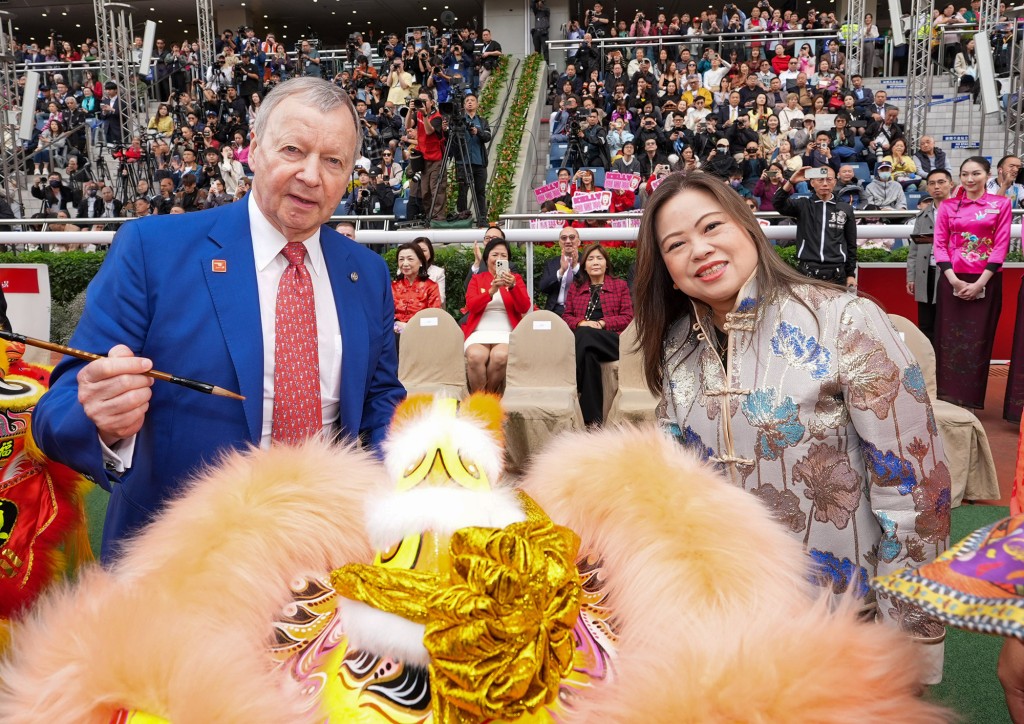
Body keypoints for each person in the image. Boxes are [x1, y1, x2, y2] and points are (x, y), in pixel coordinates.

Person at [32, 77, 406, 561]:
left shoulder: (367, 273)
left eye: (333, 161)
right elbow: (55, 412)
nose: (312, 175)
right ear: (253, 149)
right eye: (293, 149)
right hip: (184, 565)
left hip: (328, 553)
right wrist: (100, 419)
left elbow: (380, 398)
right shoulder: (152, 251)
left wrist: (409, 458)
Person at [631, 171, 948, 682]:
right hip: (722, 620)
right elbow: (671, 484)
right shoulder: (677, 348)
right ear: (666, 269)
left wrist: (907, 639)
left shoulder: (846, 319)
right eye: (676, 244)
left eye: (712, 226)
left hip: (840, 621)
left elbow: (915, 491)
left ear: (750, 226)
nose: (700, 249)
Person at [932, 156, 1011, 410]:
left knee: (978, 340)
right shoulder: (948, 206)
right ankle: (947, 397)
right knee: (948, 340)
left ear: (988, 175)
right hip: (951, 280)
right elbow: (939, 245)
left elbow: (1001, 246)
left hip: (986, 280)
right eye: (964, 174)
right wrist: (953, 280)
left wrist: (979, 283)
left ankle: (970, 399)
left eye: (975, 173)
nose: (969, 179)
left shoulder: (1000, 204)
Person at [562, 244, 634, 426]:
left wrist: (602, 323)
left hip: (612, 341)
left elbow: (627, 317)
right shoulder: (576, 288)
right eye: (591, 259)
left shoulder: (619, 286)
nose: (595, 262)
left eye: (599, 258)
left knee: (585, 335)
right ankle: (592, 420)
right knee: (588, 354)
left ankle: (569, 383)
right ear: (584, 265)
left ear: (606, 264)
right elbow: (567, 317)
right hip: (586, 342)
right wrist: (581, 323)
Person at [462, 237, 531, 393]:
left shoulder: (516, 279)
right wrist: (490, 292)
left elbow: (524, 306)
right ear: (487, 258)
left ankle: (490, 396)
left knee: (500, 356)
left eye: (503, 256)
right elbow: (471, 306)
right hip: (479, 331)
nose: (499, 259)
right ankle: (479, 400)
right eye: (494, 255)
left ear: (508, 260)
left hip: (506, 332)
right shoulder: (477, 279)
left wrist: (513, 287)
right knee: (475, 356)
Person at [773, 165, 857, 288]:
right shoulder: (803, 205)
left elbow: (851, 244)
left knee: (835, 307)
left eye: (829, 180)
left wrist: (851, 274)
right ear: (812, 183)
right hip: (807, 271)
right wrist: (791, 181)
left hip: (837, 272)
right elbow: (777, 203)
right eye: (820, 180)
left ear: (834, 182)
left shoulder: (845, 208)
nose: (825, 184)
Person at [908, 170, 953, 343]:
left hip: (951, 274)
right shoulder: (923, 215)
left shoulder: (961, 211)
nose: (937, 187)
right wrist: (911, 277)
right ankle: (930, 364)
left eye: (941, 182)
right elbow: (914, 249)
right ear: (927, 188)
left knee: (949, 321)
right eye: (932, 183)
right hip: (926, 273)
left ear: (950, 184)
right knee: (926, 324)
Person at [406, 89, 446, 221]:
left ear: (432, 102)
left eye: (424, 101)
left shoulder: (437, 116)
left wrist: (424, 115)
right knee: (425, 191)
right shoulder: (417, 113)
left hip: (437, 159)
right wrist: (410, 110)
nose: (421, 103)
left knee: (437, 190)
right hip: (423, 159)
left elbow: (429, 132)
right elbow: (408, 126)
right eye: (420, 100)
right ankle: (429, 217)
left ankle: (438, 219)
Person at [391, 242, 442, 338]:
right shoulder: (393, 286)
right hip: (394, 331)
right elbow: (385, 313)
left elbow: (434, 317)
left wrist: (410, 326)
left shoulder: (431, 287)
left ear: (421, 262)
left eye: (410, 259)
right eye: (401, 259)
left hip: (421, 334)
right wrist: (396, 324)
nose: (405, 263)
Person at [457, 91, 491, 226]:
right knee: (462, 191)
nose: (470, 102)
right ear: (464, 105)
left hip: (479, 162)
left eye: (472, 100)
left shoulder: (482, 121)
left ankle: (482, 219)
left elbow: (488, 137)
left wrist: (478, 132)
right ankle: (463, 218)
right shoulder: (460, 120)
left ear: (477, 104)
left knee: (480, 191)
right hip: (463, 162)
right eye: (467, 101)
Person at [538, 226, 582, 314]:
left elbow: (591, 283)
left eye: (572, 237)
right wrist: (561, 271)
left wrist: (575, 267)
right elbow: (542, 287)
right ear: (559, 243)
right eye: (564, 238)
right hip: (555, 309)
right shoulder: (552, 263)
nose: (568, 241)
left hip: (580, 309)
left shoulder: (587, 260)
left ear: (579, 242)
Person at [415, 236, 446, 303]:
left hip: (429, 311)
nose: (420, 253)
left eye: (423, 250)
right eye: (417, 251)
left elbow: (441, 299)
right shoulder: (403, 270)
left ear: (430, 252)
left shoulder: (438, 272)